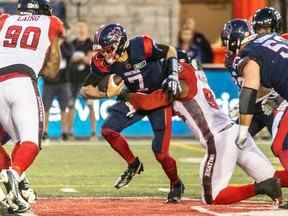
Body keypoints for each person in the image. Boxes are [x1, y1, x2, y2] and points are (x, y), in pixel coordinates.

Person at [123, 62, 287, 206]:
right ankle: (271, 190)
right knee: (271, 177)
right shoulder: (197, 76)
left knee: (212, 197)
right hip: (235, 131)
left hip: (219, 138)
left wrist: (123, 93)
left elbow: (148, 102)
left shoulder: (182, 84)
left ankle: (259, 188)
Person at [81, 23, 184, 203]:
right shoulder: (102, 61)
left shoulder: (140, 45)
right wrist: (106, 93)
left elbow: (171, 51)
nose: (105, 54)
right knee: (108, 130)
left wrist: (173, 75)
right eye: (102, 50)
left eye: (108, 49)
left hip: (158, 97)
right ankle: (133, 164)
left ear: (120, 43)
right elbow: (87, 89)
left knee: (160, 153)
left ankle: (176, 183)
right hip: (134, 98)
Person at [0, 0, 63, 213]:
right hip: (21, 79)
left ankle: (19, 183)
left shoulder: (4, 19)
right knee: (31, 140)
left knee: (13, 138)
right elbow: (53, 69)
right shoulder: (52, 22)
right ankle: (14, 175)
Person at [222, 17, 288, 173]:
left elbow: (250, 90)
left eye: (226, 40)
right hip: (261, 105)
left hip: (277, 102)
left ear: (234, 39)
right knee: (231, 143)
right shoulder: (274, 39)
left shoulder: (249, 53)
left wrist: (244, 110)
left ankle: (269, 182)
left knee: (281, 146)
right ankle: (266, 179)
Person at [42, 37, 74, 141]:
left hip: (63, 81)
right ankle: (44, 131)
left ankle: (64, 132)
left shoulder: (66, 45)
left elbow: (70, 55)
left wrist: (59, 46)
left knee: (64, 107)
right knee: (45, 107)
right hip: (49, 82)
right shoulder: (47, 43)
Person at [68, 20, 96, 138]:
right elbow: (70, 59)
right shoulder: (72, 44)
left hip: (87, 80)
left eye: (82, 27)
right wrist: (83, 57)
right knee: (70, 105)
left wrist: (81, 57)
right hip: (73, 79)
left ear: (86, 29)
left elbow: (91, 60)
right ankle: (69, 132)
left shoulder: (91, 43)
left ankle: (93, 132)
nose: (80, 29)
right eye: (78, 27)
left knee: (91, 105)